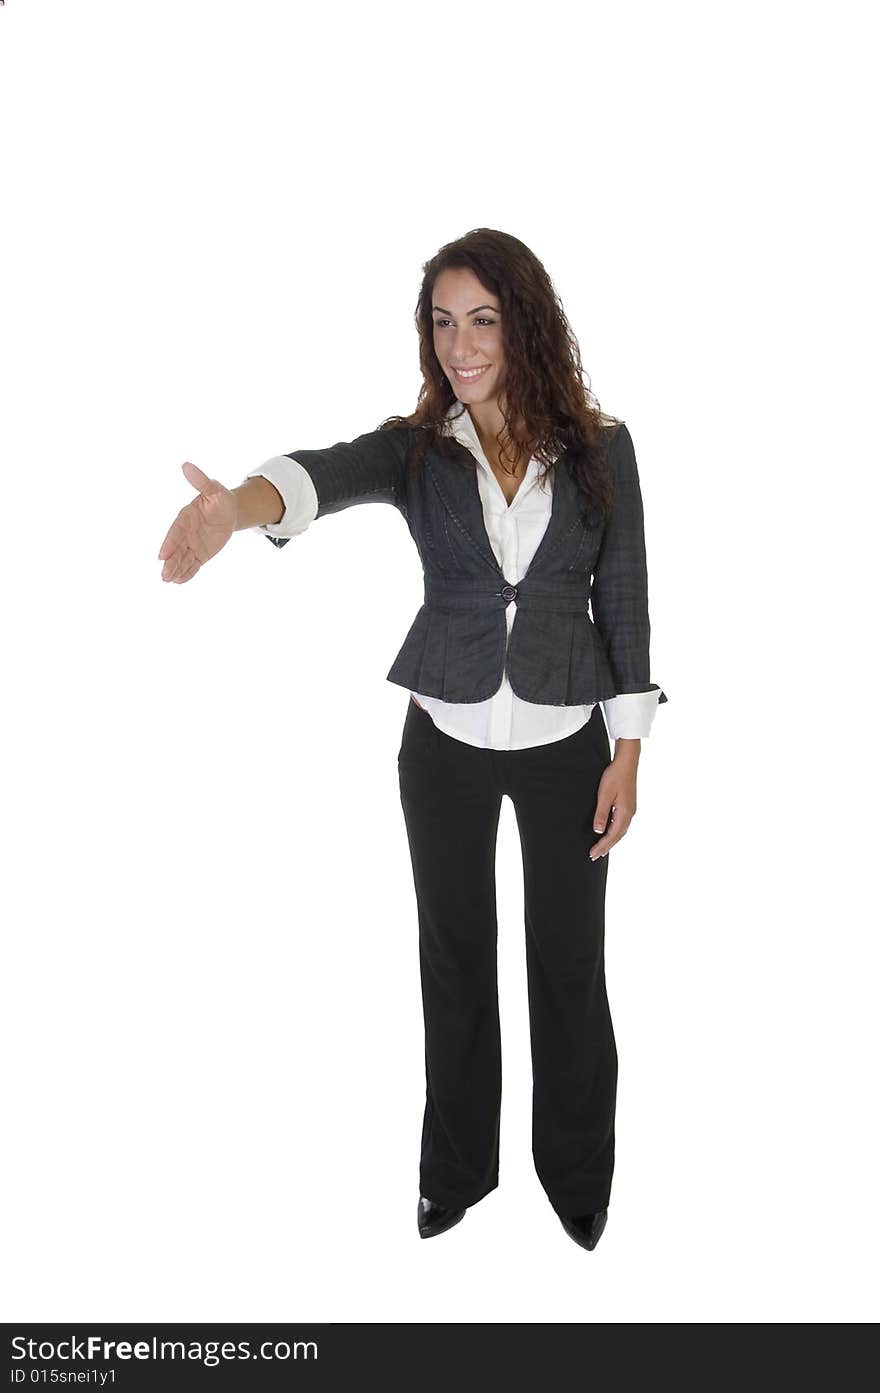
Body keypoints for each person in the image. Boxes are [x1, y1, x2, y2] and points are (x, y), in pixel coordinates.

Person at [158, 228, 667, 1251]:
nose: (460, 342)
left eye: (482, 317)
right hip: (442, 737)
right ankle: (457, 1171)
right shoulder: (419, 447)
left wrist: (628, 749)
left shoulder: (602, 446)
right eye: (442, 321)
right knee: (453, 955)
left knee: (570, 962)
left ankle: (576, 1173)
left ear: (525, 322)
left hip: (572, 737)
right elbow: (319, 476)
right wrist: (236, 507)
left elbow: (624, 600)